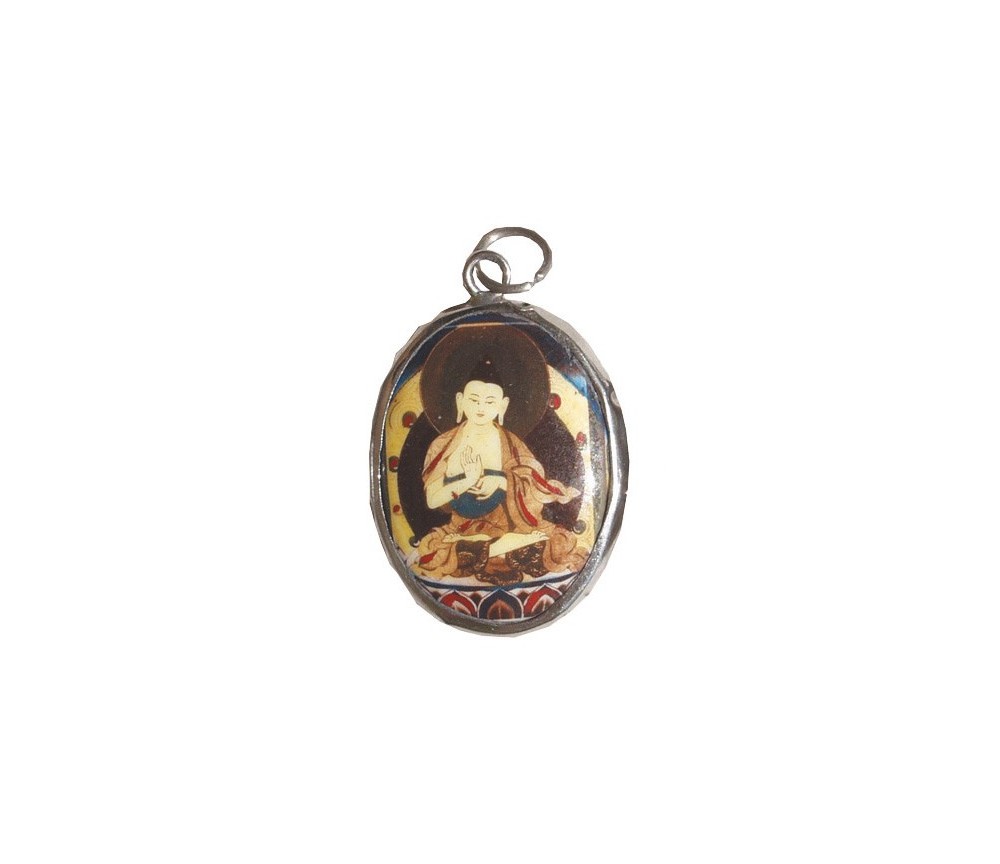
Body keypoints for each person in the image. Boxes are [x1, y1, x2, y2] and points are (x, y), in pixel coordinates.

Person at [415, 357, 587, 586]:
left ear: (502, 406)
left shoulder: (512, 445)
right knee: (436, 549)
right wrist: (467, 480)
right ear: (460, 401)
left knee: (554, 545)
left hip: (512, 526)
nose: (481, 408)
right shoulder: (443, 445)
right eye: (474, 400)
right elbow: (432, 500)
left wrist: (501, 482)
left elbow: (533, 489)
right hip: (462, 529)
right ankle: (497, 547)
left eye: (490, 401)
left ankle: (496, 546)